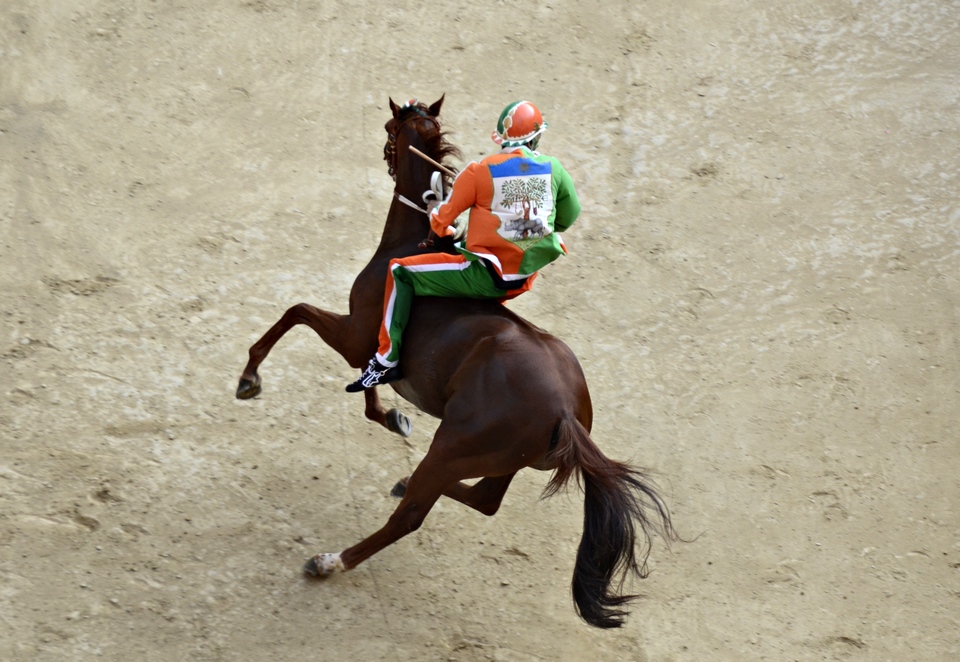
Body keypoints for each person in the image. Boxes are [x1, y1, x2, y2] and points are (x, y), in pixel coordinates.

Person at [346, 100, 581, 392]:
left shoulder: (478, 172)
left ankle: (385, 359)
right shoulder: (553, 169)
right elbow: (568, 216)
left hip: (486, 276)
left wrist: (438, 213)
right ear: (535, 137)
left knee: (399, 271)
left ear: (502, 139)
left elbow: (441, 221)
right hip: (524, 277)